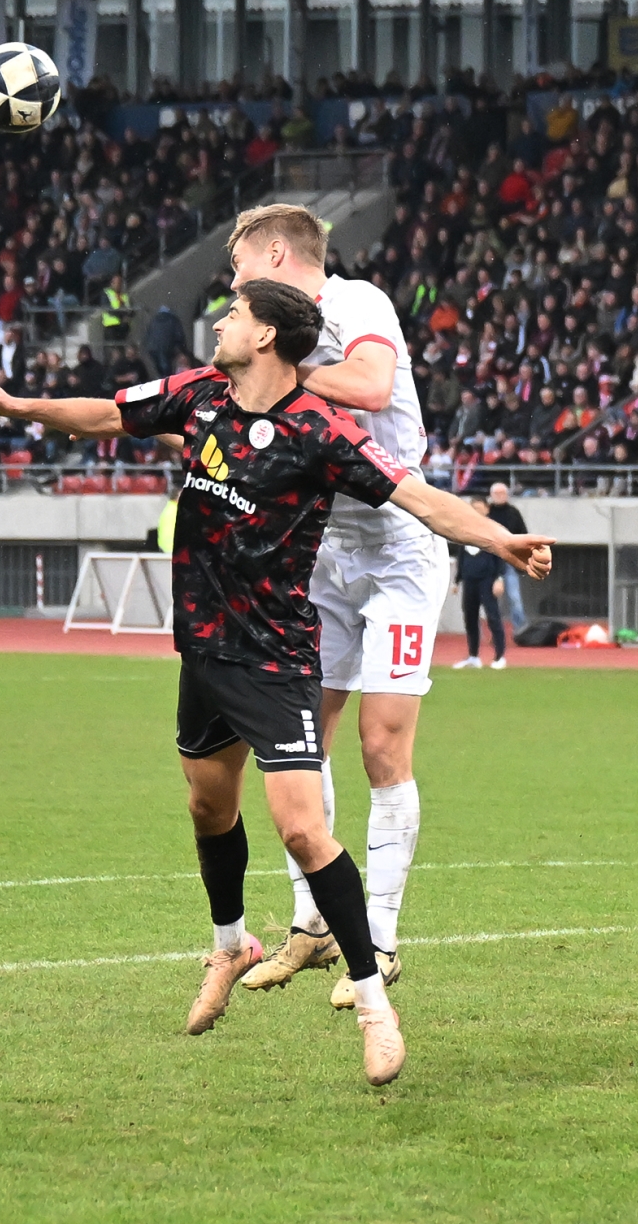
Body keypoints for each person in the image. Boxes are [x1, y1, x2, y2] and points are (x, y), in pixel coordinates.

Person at [0, 277, 554, 1085]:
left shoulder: (320, 429)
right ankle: (229, 943)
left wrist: (498, 539)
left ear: (269, 335)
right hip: (203, 651)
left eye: (237, 313)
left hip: (276, 659)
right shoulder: (199, 393)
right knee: (208, 806)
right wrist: (18, 407)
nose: (221, 321)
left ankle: (375, 1003)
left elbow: (416, 495)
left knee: (302, 829)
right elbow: (106, 413)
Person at [220, 205, 451, 1011]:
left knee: (381, 743)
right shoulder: (264, 337)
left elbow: (372, 385)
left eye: (241, 266)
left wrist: (284, 371)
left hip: (398, 546)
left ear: (277, 254)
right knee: (295, 734)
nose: (235, 284)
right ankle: (313, 922)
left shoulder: (355, 303)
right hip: (323, 551)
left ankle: (378, 939)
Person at [450, 498, 508, 670]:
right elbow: (462, 556)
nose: (475, 511)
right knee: (470, 618)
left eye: (479, 508)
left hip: (487, 579)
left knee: (492, 617)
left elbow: (501, 555)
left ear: (486, 509)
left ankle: (499, 656)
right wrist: (457, 580)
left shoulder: (493, 529)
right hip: (469, 580)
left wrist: (499, 578)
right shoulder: (465, 530)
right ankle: (473, 656)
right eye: (473, 507)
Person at [486, 482, 529, 631]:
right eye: (496, 493)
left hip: (509, 559)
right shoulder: (487, 513)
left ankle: (521, 629)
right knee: (491, 599)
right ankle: (495, 631)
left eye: (502, 493)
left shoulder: (513, 512)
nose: (499, 496)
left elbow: (523, 534)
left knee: (514, 597)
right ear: (491, 495)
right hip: (490, 559)